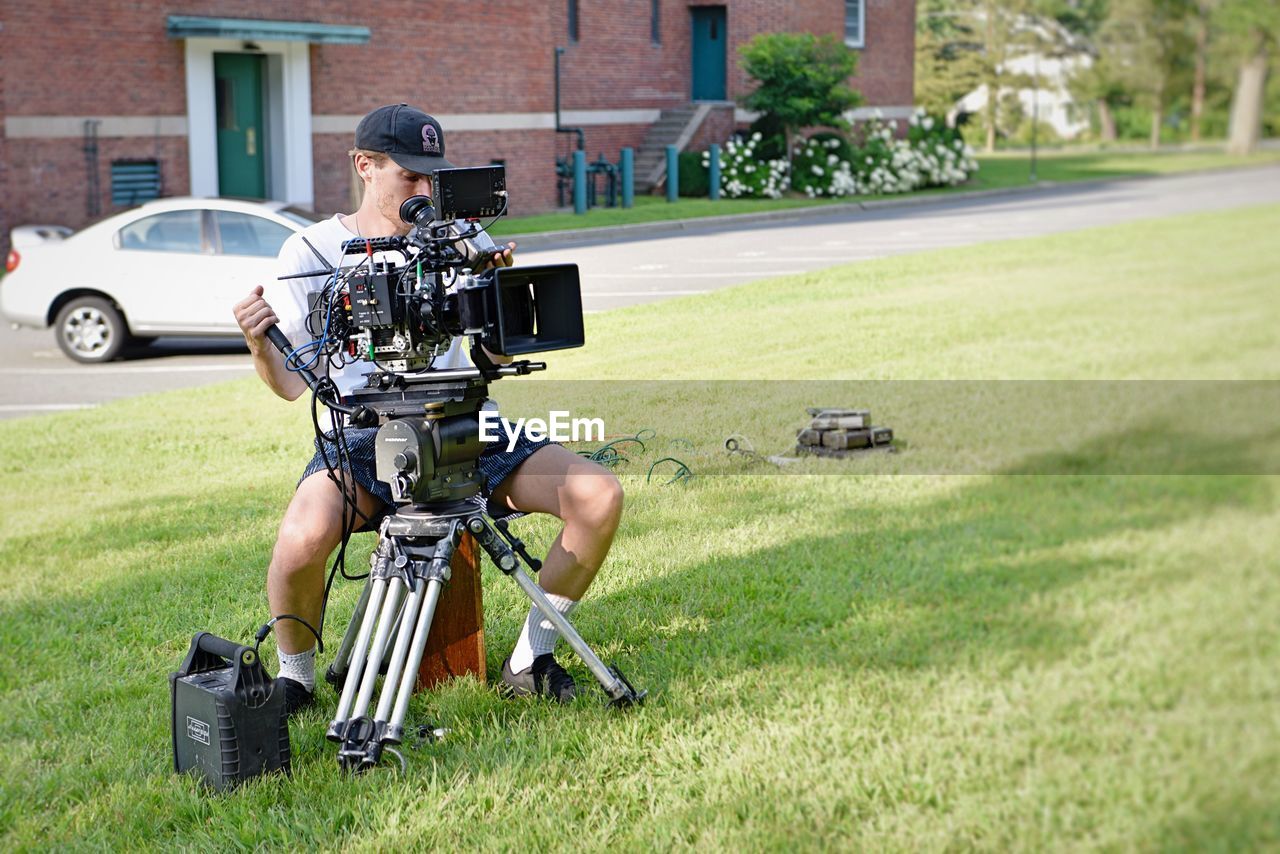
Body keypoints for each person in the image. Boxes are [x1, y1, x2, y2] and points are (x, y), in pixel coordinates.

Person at [232, 104, 623, 714]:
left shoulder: (460, 237)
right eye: (408, 176)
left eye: (430, 176)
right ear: (365, 166)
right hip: (361, 434)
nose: (423, 190)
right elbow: (290, 386)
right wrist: (262, 343)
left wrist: (496, 299)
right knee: (302, 538)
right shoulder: (310, 250)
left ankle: (531, 658)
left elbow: (491, 356)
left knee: (597, 495)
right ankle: (296, 678)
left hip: (464, 424)